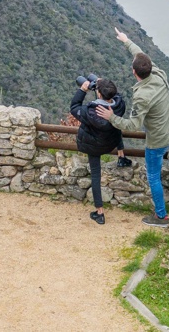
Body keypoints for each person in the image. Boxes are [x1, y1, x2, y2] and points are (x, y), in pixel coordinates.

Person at [96, 28, 169, 227]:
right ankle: (162, 212)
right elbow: (140, 55)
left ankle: (161, 216)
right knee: (156, 173)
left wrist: (111, 117)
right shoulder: (158, 73)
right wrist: (126, 40)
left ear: (134, 72)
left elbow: (133, 124)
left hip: (158, 139)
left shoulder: (142, 96)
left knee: (153, 176)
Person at [70, 76, 129, 224]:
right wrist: (104, 84)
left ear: (99, 94)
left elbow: (74, 107)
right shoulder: (119, 105)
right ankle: (121, 156)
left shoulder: (91, 111)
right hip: (111, 143)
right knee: (116, 126)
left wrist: (83, 89)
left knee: (96, 175)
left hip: (94, 146)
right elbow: (117, 96)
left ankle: (100, 212)